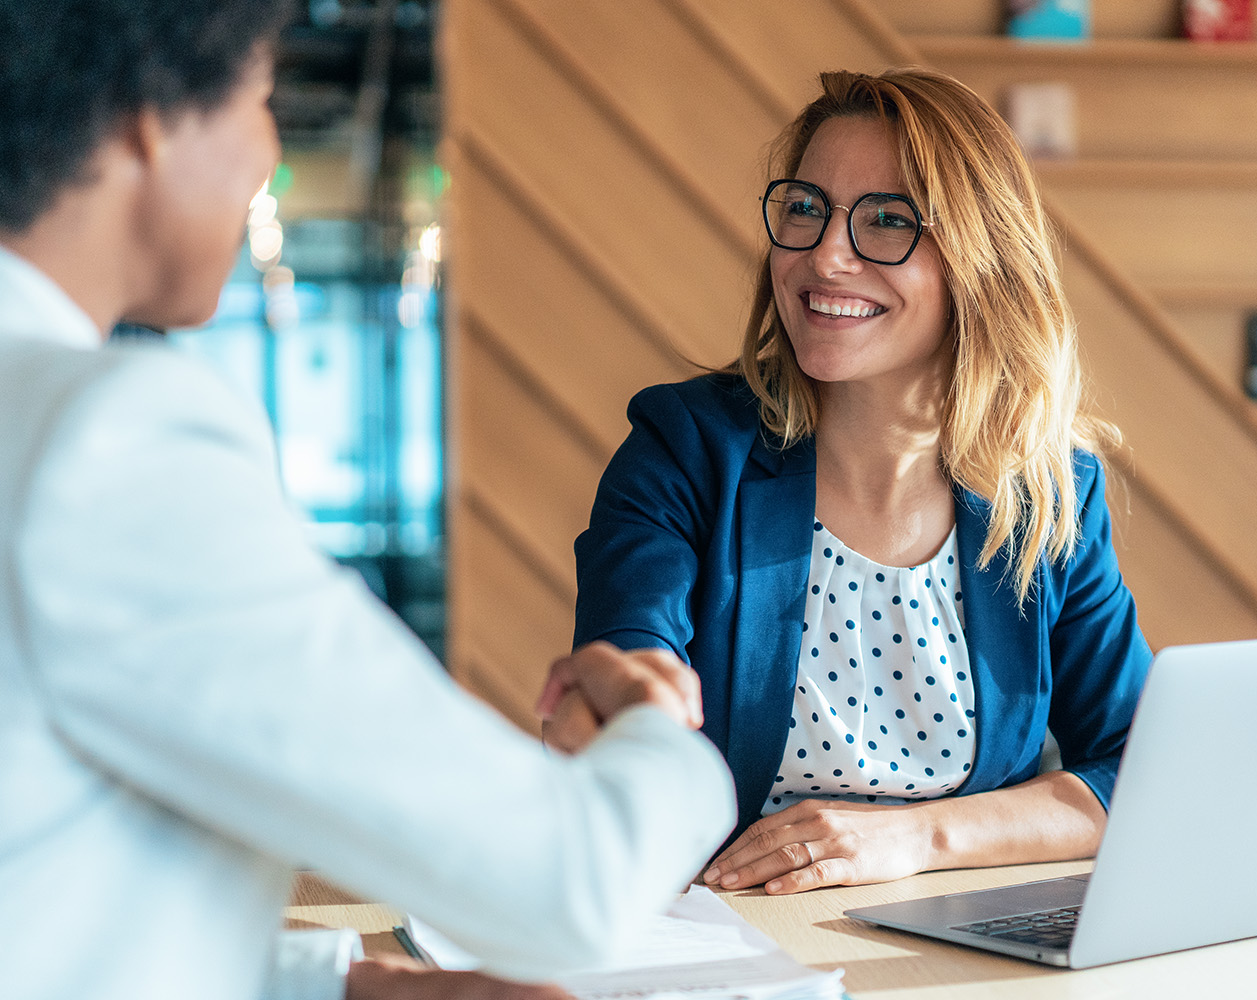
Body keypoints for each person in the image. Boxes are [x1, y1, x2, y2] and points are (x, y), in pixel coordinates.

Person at [0, 3, 734, 1000]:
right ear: (150, 118)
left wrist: (334, 982)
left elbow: (45, 870)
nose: (269, 153)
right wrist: (669, 735)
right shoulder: (104, 438)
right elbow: (569, 883)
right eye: (265, 101)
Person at [573, 68, 1150, 896]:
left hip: (959, 952)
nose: (825, 255)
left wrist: (917, 837)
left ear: (981, 262)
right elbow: (628, 692)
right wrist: (632, 716)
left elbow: (1138, 769)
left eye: (887, 221)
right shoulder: (685, 448)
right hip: (731, 939)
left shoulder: (1049, 493)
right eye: (805, 209)